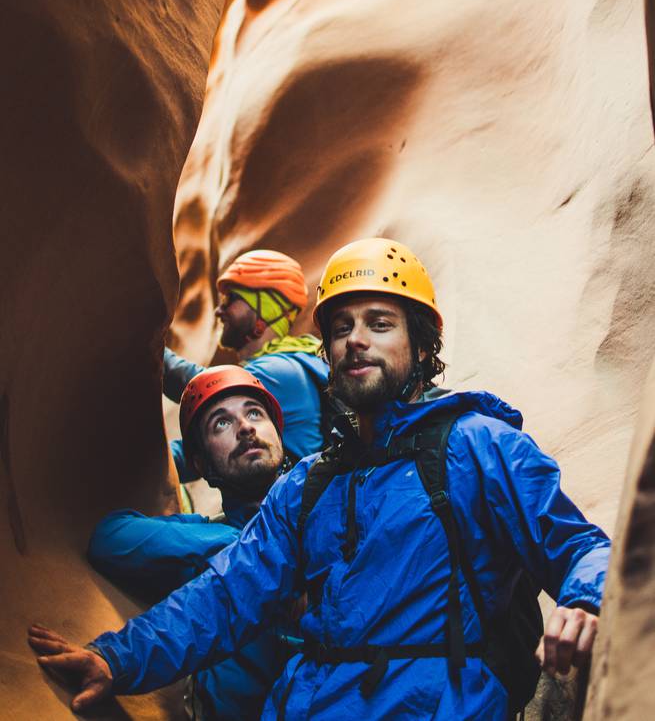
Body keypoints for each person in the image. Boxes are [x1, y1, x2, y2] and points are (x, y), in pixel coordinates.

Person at [28, 238, 610, 720]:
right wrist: (117, 659)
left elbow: (579, 545)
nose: (356, 338)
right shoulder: (307, 484)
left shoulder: (479, 444)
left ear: (421, 343)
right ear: (328, 349)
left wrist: (585, 600)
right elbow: (226, 596)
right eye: (341, 326)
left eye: (379, 324)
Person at [87, 365, 298, 720]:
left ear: (277, 433)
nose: (245, 427)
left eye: (254, 413)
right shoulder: (207, 541)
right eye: (221, 423)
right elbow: (110, 538)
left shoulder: (327, 511)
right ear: (201, 463)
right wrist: (242, 545)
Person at [164, 249, 330, 467]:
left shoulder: (278, 370)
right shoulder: (296, 361)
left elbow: (197, 388)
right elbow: (212, 454)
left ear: (264, 309)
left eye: (231, 299)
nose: (219, 310)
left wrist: (136, 338)